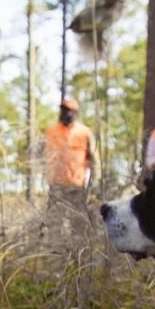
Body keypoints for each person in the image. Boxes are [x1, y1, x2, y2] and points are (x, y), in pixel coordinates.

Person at [42, 97, 100, 236]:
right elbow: (42, 155)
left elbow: (95, 160)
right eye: (63, 110)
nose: (65, 113)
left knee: (78, 223)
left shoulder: (85, 132)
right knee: (54, 222)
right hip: (56, 185)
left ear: (75, 112)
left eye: (68, 110)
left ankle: (79, 251)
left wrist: (95, 182)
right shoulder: (51, 131)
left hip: (77, 186)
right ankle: (54, 251)